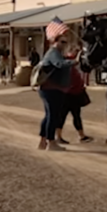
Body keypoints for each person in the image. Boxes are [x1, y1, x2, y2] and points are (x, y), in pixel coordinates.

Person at [37, 18, 78, 151]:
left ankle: (43, 141)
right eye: (62, 41)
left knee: (49, 115)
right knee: (53, 116)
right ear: (56, 41)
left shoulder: (56, 53)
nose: (64, 44)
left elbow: (61, 61)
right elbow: (59, 64)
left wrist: (70, 58)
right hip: (52, 89)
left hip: (51, 89)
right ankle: (51, 142)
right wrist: (75, 61)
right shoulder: (53, 52)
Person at [56, 59, 93, 144]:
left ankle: (81, 136)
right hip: (68, 95)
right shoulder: (67, 70)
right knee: (63, 116)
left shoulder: (72, 70)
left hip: (74, 95)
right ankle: (58, 136)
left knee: (75, 116)